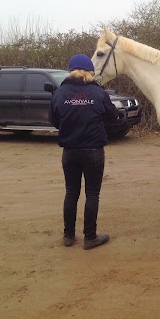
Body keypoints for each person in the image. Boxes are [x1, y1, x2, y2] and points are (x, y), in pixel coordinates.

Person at [49, 54, 118, 250]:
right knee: (92, 194)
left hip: (70, 151)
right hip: (93, 150)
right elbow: (112, 116)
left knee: (71, 192)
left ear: (70, 70)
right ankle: (90, 237)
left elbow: (54, 121)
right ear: (90, 71)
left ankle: (68, 236)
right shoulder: (99, 93)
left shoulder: (60, 94)